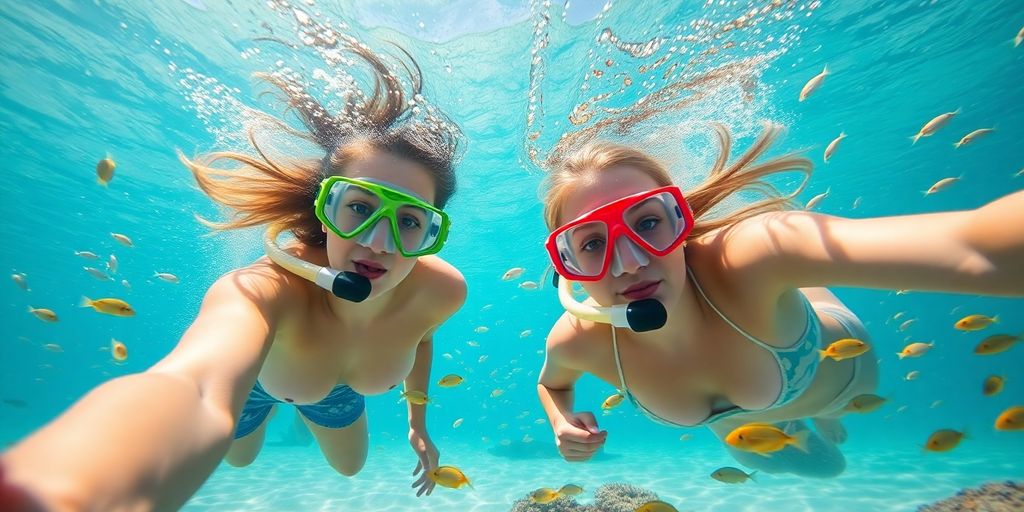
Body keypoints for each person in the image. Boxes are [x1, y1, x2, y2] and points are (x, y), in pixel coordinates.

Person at [0, 40, 466, 510]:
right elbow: (196, 387)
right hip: (255, 390)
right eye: (360, 208)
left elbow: (421, 336)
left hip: (337, 392)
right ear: (325, 208)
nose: (379, 243)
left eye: (409, 221)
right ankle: (270, 411)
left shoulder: (442, 291)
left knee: (351, 466)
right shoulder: (266, 289)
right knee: (240, 459)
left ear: (432, 230)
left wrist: (417, 421)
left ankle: (306, 404)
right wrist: (70, 485)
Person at [536, 123, 1024, 477]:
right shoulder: (579, 340)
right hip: (748, 419)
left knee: (827, 420)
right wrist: (561, 423)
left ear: (681, 221)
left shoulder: (753, 253)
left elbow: (975, 247)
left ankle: (821, 416)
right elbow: (552, 385)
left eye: (647, 223)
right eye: (593, 244)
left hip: (838, 382)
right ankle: (772, 429)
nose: (629, 262)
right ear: (568, 265)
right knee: (775, 460)